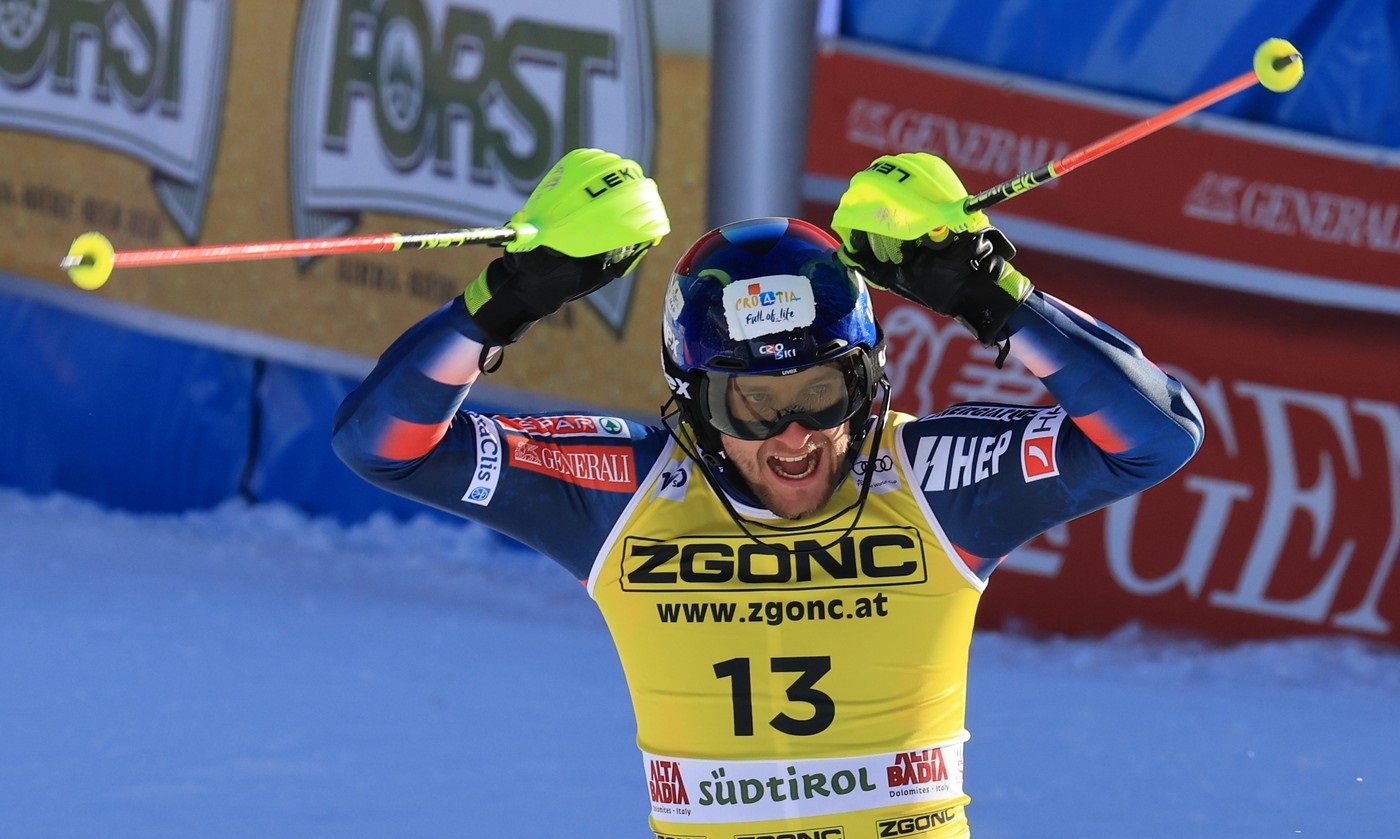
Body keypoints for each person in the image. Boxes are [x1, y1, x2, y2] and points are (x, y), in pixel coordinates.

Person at [333, 147, 1204, 839]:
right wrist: (500, 304)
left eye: (821, 395)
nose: (793, 435)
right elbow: (386, 448)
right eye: (751, 402)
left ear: (868, 383)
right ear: (693, 400)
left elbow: (1157, 435)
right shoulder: (624, 489)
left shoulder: (934, 482)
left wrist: (995, 293)